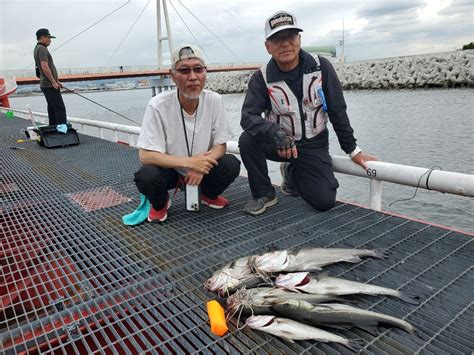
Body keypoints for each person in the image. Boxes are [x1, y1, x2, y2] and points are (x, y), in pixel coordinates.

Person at [239, 10, 378, 215]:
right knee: (247, 140)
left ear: (299, 39)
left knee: (324, 201)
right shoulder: (261, 78)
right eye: (277, 39)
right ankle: (264, 194)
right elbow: (247, 117)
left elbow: (338, 110)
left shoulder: (322, 67)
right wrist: (275, 133)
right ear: (267, 47)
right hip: (278, 144)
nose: (285, 43)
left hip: (313, 144)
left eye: (291, 36)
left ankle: (292, 173)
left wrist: (353, 150)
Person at [133, 45, 241, 223]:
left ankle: (207, 194)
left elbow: (220, 145)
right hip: (171, 170)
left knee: (231, 164)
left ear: (205, 72)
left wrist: (201, 165)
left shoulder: (214, 100)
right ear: (172, 75)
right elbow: (145, 155)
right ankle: (160, 203)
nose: (193, 77)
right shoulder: (158, 105)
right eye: (184, 70)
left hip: (202, 167)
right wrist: (191, 163)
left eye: (198, 69)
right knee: (146, 176)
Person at [33, 28, 67, 126]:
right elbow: (44, 66)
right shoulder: (42, 48)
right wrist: (53, 82)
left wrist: (57, 81)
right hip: (48, 85)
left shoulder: (37, 48)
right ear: (43, 37)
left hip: (46, 84)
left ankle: (54, 129)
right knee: (59, 108)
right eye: (49, 37)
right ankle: (62, 132)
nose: (50, 40)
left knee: (52, 108)